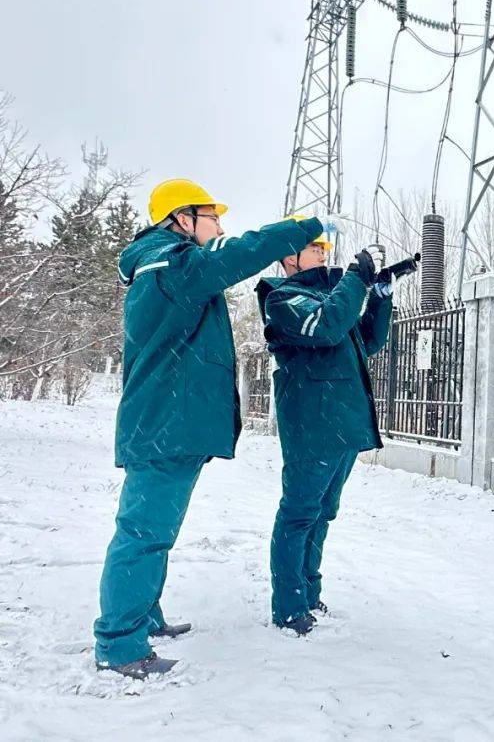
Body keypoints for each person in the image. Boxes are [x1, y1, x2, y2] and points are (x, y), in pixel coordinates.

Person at [94, 179, 325, 679]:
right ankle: (119, 644)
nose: (220, 228)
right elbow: (240, 253)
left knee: (155, 531)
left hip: (171, 426)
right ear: (182, 219)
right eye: (212, 217)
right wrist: (301, 228)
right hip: (164, 426)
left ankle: (144, 617)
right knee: (143, 534)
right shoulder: (171, 264)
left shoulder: (168, 265)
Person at [255, 218, 401, 634]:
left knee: (323, 513)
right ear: (289, 258)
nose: (323, 251)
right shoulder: (283, 299)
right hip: (312, 425)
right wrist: (356, 277)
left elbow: (367, 341)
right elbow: (327, 326)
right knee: (299, 513)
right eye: (313, 247)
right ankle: (288, 605)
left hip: (342, 424)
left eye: (323, 246)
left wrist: (380, 295)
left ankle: (308, 591)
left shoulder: (327, 296)